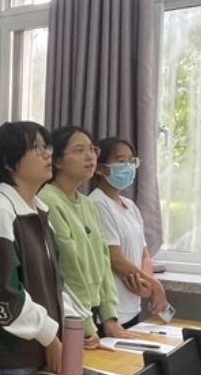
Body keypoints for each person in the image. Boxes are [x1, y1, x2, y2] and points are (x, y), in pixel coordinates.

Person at [0, 122, 66, 375]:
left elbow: (55, 284)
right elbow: (6, 294)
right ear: (8, 162)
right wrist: (50, 337)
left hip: (42, 350)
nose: (47, 154)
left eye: (46, 146)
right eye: (36, 148)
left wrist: (74, 329)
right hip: (13, 360)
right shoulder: (1, 213)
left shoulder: (38, 211)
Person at [38, 126, 137, 347]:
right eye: (79, 150)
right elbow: (68, 268)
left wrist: (110, 316)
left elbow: (103, 259)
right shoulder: (48, 200)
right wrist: (86, 324)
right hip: (70, 315)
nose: (90, 156)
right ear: (57, 161)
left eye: (92, 149)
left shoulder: (86, 203)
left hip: (91, 314)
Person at [90, 137, 168, 327]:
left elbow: (144, 254)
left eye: (132, 161)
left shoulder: (130, 206)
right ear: (100, 169)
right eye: (121, 161)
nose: (128, 167)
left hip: (132, 305)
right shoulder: (97, 204)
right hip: (111, 310)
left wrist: (145, 284)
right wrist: (154, 285)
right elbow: (114, 258)